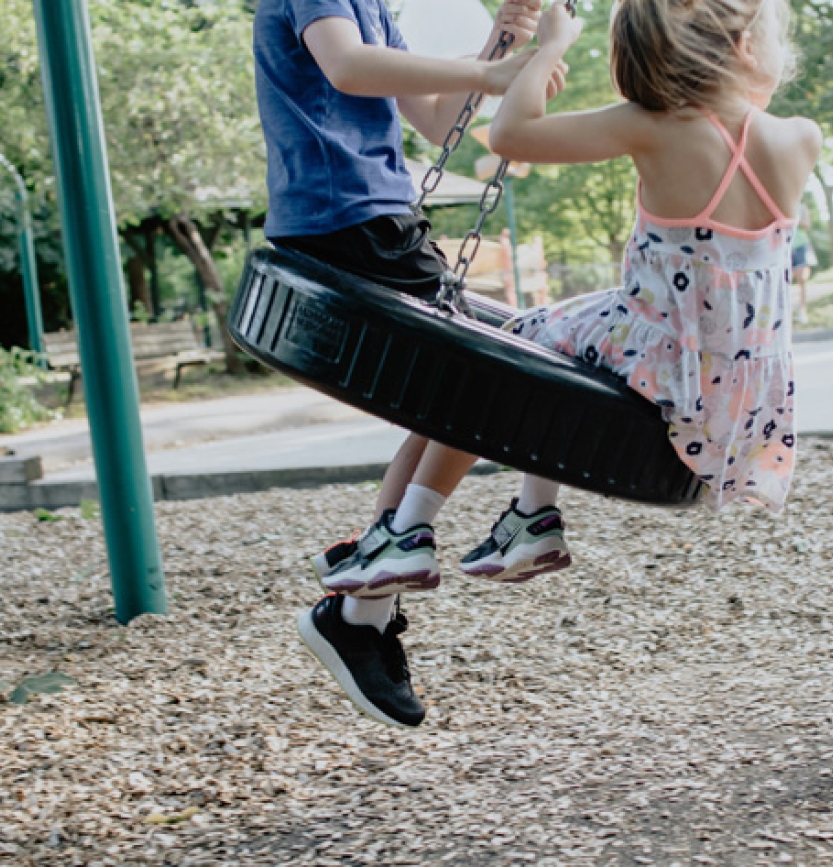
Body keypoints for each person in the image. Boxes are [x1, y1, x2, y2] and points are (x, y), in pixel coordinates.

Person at [309, 0, 822, 728]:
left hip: (655, 357)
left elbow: (509, 134)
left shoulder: (652, 126)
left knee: (511, 350)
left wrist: (548, 47)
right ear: (743, 46)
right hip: (736, 405)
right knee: (550, 351)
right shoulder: (800, 138)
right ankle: (528, 515)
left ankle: (421, 524)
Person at [254, 0, 567, 729]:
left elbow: (437, 123)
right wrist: (493, 69)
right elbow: (346, 66)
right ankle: (370, 604)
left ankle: (364, 608)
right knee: (490, 379)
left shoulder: (375, 8)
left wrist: (509, 44)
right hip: (347, 222)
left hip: (377, 221)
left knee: (455, 401)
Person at [790, 204, 818, 323]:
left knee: (802, 279)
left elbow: (807, 225)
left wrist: (794, 219)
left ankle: (802, 310)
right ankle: (787, 310)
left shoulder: (802, 207)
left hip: (801, 246)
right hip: (784, 247)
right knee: (786, 281)